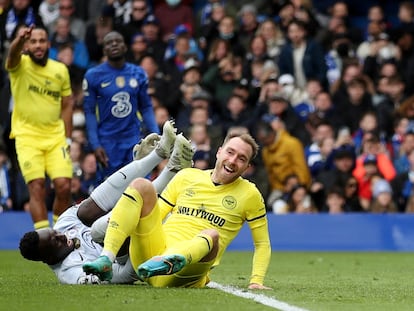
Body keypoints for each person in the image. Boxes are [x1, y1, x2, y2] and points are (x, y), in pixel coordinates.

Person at [82, 131, 271, 290]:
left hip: (188, 272)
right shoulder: (187, 176)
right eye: (230, 152)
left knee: (212, 235)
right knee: (141, 185)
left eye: (241, 159)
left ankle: (172, 260)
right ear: (219, 152)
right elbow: (157, 213)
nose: (232, 160)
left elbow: (262, 243)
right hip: (149, 257)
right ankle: (106, 258)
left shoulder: (250, 194)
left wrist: (256, 280)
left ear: (247, 167)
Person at [19, 121, 194, 284]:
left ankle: (159, 154)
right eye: (55, 241)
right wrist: (120, 227)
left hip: (135, 219)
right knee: (98, 230)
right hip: (135, 258)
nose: (61, 235)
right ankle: (171, 169)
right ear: (48, 258)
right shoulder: (69, 272)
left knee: (87, 211)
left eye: (54, 232)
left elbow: (102, 199)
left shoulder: (62, 226)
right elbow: (120, 275)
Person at [6, 25, 73, 229]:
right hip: (27, 137)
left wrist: (68, 138)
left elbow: (68, 103)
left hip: (55, 137)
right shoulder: (19, 65)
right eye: (33, 41)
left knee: (64, 186)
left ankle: (59, 232)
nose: (38, 45)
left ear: (48, 45)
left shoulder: (60, 70)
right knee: (37, 186)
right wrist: (18, 40)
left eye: (42, 41)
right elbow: (11, 55)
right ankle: (45, 240)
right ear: (27, 45)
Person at [83, 31, 160, 179]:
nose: (114, 44)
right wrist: (95, 144)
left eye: (118, 41)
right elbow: (90, 111)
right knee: (110, 193)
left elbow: (146, 107)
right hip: (107, 143)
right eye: (109, 43)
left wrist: (155, 133)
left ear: (125, 47)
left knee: (139, 186)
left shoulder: (138, 73)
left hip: (134, 139)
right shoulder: (93, 75)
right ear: (104, 49)